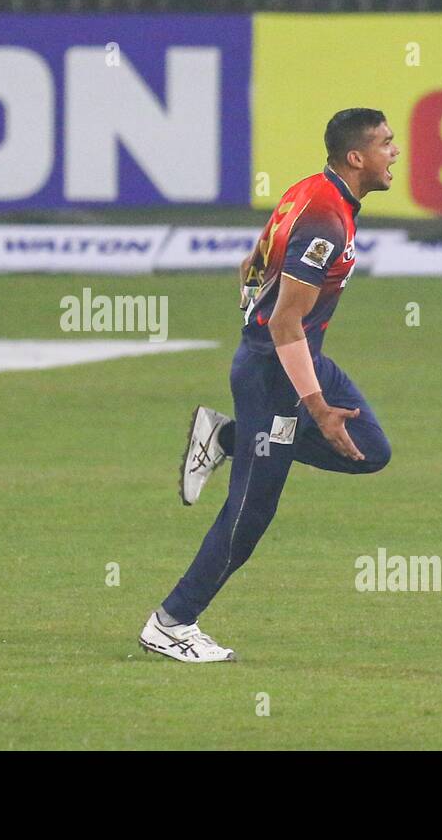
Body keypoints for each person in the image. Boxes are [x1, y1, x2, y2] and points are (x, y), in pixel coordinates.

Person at [139, 108, 399, 662]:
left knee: (371, 450)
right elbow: (284, 323)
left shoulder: (311, 190)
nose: (394, 152)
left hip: (301, 358)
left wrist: (252, 313)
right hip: (275, 375)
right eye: (385, 143)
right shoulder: (327, 221)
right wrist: (317, 406)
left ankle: (227, 438)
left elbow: (249, 264)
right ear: (356, 158)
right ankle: (171, 622)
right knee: (253, 508)